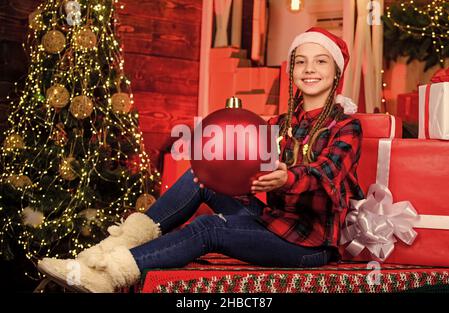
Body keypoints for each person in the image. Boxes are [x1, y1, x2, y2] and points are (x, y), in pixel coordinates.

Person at [37, 27, 365, 293]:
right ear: (292, 69)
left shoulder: (347, 125)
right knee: (200, 176)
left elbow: (326, 173)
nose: (310, 69)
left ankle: (110, 275)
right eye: (301, 61)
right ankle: (105, 252)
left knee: (209, 228)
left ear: (336, 71)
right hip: (272, 219)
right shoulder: (278, 123)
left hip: (309, 244)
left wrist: (287, 178)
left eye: (321, 62)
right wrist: (219, 157)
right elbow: (247, 172)